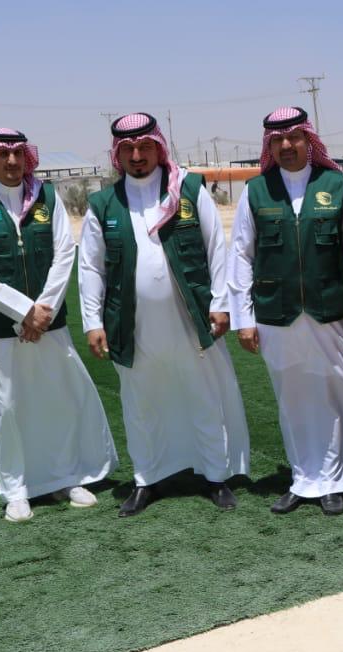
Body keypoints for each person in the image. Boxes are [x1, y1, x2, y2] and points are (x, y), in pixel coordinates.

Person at [77, 113, 249, 517]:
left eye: (144, 147)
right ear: (117, 153)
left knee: (203, 397)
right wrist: (92, 322)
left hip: (190, 319)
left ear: (158, 147)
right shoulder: (104, 203)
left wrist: (220, 303)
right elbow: (90, 267)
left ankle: (216, 476)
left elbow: (216, 248)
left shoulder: (188, 190)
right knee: (141, 405)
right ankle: (146, 479)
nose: (137, 156)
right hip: (132, 325)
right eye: (128, 149)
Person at [0, 128, 118, 522]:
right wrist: (24, 312)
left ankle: (65, 477)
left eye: (17, 154)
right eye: (3, 154)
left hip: (49, 325)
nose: (12, 161)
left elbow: (64, 254)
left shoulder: (47, 197)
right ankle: (16, 489)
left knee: (57, 401)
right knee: (8, 408)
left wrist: (42, 311)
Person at [228, 107, 343, 516]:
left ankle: (337, 479)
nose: (286, 146)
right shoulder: (256, 191)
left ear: (309, 140)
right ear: (269, 146)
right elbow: (240, 255)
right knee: (292, 399)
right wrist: (243, 319)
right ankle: (304, 478)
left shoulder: (338, 185)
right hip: (277, 315)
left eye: (294, 137)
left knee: (337, 392)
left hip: (331, 311)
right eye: (277, 140)